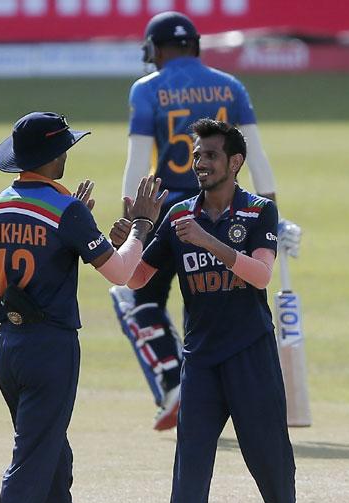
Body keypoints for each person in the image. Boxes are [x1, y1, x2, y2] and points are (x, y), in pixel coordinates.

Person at [0, 111, 167, 503]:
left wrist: (75, 224)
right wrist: (142, 224)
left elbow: (27, 260)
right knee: (32, 468)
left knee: (50, 469)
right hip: (50, 349)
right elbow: (123, 274)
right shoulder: (65, 209)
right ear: (55, 156)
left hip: (8, 346)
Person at [125, 118, 311, 503]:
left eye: (209, 155)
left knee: (272, 464)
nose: (199, 163)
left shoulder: (258, 211)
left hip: (251, 355)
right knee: (191, 467)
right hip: (201, 361)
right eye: (195, 155)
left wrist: (210, 243)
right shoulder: (178, 213)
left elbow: (260, 274)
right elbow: (136, 278)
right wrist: (136, 232)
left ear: (235, 162)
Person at [111, 10, 300, 431]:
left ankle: (172, 381)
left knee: (133, 296)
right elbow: (257, 157)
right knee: (220, 300)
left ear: (156, 50)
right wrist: (273, 218)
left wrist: (133, 227)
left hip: (168, 214)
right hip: (227, 209)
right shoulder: (230, 86)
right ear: (195, 45)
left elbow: (138, 163)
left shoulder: (146, 89)